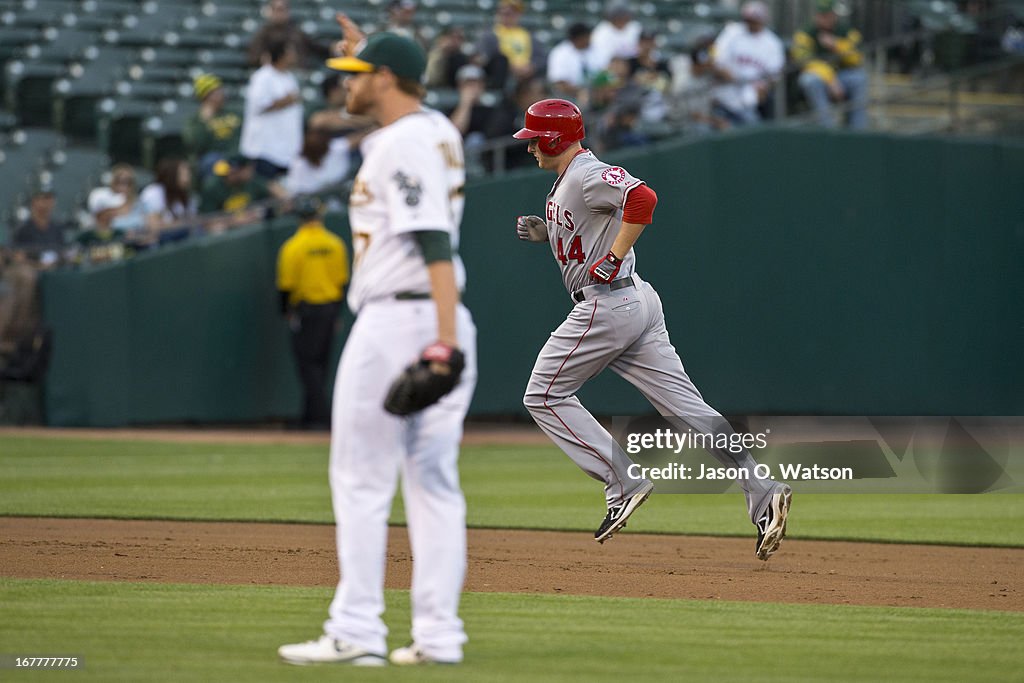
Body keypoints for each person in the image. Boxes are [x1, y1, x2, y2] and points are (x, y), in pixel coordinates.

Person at [511, 98, 792, 558]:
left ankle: (623, 482)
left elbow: (643, 198)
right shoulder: (570, 181)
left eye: (535, 140)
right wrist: (551, 233)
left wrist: (615, 255)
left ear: (556, 138)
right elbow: (593, 226)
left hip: (608, 304)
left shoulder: (584, 173)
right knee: (687, 408)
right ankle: (763, 491)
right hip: (637, 301)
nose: (529, 149)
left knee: (542, 394)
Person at [278, 23, 477, 667]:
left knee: (362, 480)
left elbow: (432, 242)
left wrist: (441, 343)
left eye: (355, 73)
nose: (344, 83)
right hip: (440, 318)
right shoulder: (438, 131)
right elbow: (417, 98)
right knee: (434, 484)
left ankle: (357, 630)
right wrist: (377, 47)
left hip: (402, 322)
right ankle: (439, 638)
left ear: (385, 80)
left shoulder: (398, 144)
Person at [276, 195, 349, 429]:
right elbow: (341, 283)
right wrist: (338, 313)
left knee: (308, 365)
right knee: (322, 364)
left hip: (306, 311)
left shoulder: (293, 246)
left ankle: (319, 417)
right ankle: (309, 416)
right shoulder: (335, 243)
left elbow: (286, 286)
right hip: (330, 309)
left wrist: (285, 311)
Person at [792, 0, 868, 129]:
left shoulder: (846, 31)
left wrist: (836, 45)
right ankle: (827, 129)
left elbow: (858, 58)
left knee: (859, 78)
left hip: (842, 77)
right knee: (810, 80)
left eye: (831, 15)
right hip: (820, 79)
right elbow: (804, 62)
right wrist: (830, 79)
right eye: (824, 15)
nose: (828, 18)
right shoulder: (805, 33)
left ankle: (858, 130)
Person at [710, 1, 785, 127]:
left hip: (751, 94)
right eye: (748, 19)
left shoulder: (772, 43)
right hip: (726, 87)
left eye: (754, 20)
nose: (750, 23)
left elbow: (774, 74)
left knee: (750, 124)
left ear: (763, 20)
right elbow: (716, 58)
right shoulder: (732, 32)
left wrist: (764, 87)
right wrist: (723, 72)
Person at [240, 38, 304, 179]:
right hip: (264, 149)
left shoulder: (289, 77)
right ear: (281, 54)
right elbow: (259, 105)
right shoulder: (263, 77)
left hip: (287, 149)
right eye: (290, 51)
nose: (293, 55)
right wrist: (285, 101)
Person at [198, 154, 288, 231]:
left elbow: (277, 190)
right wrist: (234, 221)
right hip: (229, 235)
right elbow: (207, 222)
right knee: (218, 229)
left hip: (254, 229)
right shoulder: (213, 187)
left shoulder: (252, 181)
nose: (229, 174)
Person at [183, 73, 242, 178]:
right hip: (215, 160)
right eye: (214, 93)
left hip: (237, 157)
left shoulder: (235, 114)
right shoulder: (195, 121)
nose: (220, 95)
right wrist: (203, 121)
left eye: (220, 91)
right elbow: (196, 146)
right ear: (204, 97)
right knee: (211, 162)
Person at [281, 127, 366, 196]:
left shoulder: (333, 148)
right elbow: (293, 190)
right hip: (313, 196)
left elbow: (356, 139)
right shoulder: (299, 164)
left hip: (341, 185)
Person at [247, 0, 330, 69]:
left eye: (283, 9)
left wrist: (332, 47)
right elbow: (253, 56)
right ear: (271, 11)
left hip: (296, 73)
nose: (280, 14)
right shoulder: (263, 33)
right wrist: (262, 59)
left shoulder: (296, 32)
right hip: (273, 75)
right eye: (277, 10)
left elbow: (314, 46)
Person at [477, 0, 536, 89]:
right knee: (501, 61)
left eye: (513, 13)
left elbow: (539, 57)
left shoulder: (527, 35)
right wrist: (511, 67)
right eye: (506, 13)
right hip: (503, 74)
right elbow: (486, 56)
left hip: (525, 74)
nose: (509, 16)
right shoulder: (490, 34)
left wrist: (531, 67)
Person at [140, 158, 198, 243]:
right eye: (184, 174)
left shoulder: (185, 195)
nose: (188, 178)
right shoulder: (153, 193)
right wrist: (182, 224)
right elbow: (154, 228)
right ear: (172, 175)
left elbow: (194, 222)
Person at [12, 189, 68, 265]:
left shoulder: (57, 229)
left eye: (49, 199)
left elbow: (63, 254)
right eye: (43, 198)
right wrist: (40, 265)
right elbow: (17, 258)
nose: (46, 203)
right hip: (31, 272)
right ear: (33, 202)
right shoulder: (22, 230)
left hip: (55, 271)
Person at [547, 23, 598, 103]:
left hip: (594, 92)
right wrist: (581, 92)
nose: (589, 40)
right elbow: (559, 84)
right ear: (578, 38)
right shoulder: (560, 53)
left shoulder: (595, 49)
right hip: (567, 96)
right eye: (587, 37)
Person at [78, 188, 130, 264]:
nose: (115, 210)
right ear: (101, 213)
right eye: (111, 208)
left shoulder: (121, 234)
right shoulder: (84, 239)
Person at [589, 0, 642, 72]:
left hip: (634, 67)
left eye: (624, 14)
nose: (622, 18)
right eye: (618, 15)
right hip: (609, 70)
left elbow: (642, 52)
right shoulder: (601, 31)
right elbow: (600, 59)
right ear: (611, 16)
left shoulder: (635, 27)